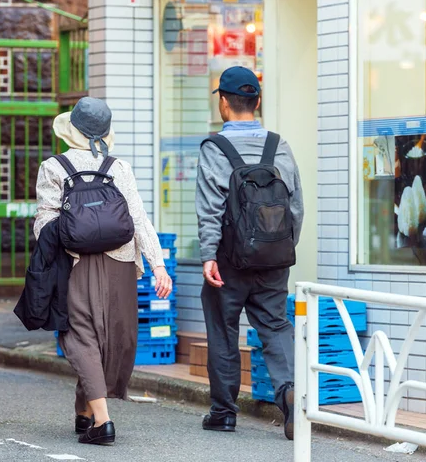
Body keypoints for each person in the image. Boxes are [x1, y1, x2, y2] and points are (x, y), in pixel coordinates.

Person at [34, 97, 173, 445]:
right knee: (112, 337)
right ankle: (87, 413)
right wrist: (158, 264)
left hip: (75, 262)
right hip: (121, 262)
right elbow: (138, 219)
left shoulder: (53, 167)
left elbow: (44, 224)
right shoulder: (118, 168)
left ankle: (101, 421)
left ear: (72, 132)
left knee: (81, 336)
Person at [195, 66, 304, 440]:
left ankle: (224, 412)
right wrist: (280, 248)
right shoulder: (280, 145)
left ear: (224, 103)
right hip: (274, 258)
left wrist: (208, 254)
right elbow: (295, 207)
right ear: (256, 102)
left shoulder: (215, 148)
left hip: (228, 260)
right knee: (275, 325)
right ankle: (290, 393)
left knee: (223, 330)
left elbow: (210, 205)